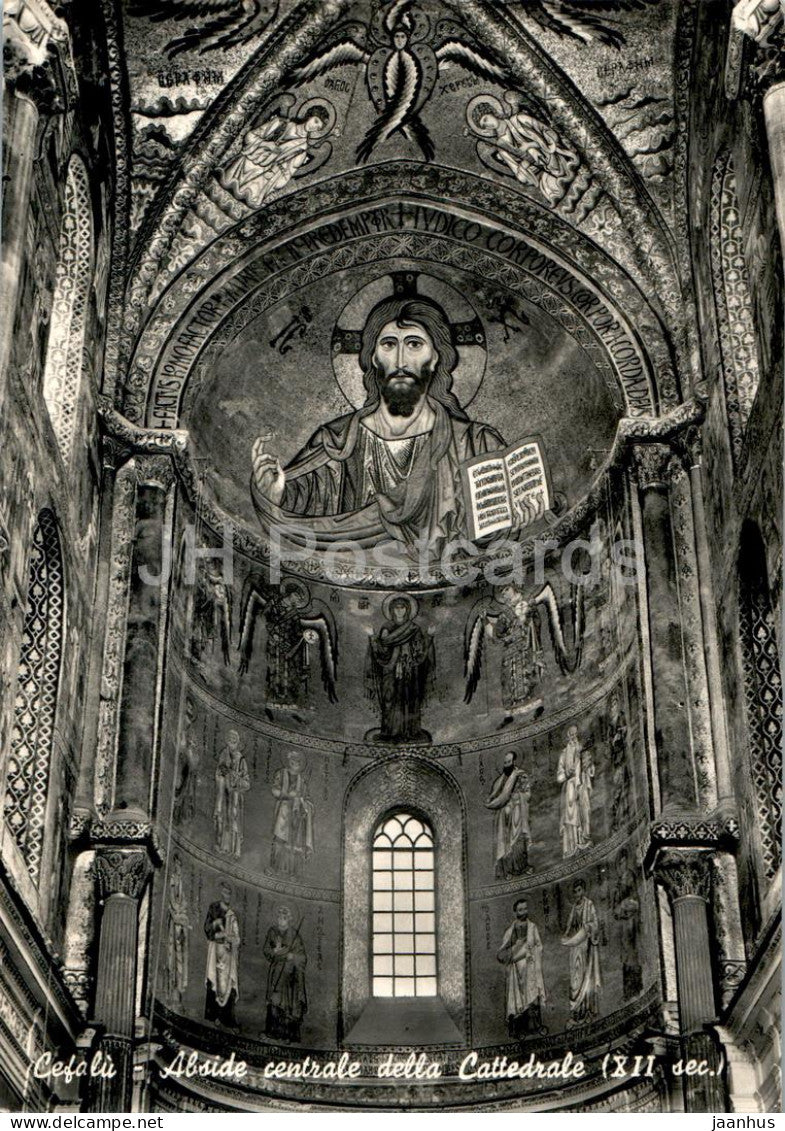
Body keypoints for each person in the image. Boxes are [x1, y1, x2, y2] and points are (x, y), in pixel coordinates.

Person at [251, 295, 505, 549]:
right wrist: (276, 496)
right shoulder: (335, 443)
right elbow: (299, 515)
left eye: (415, 344)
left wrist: (512, 523)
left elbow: (485, 540)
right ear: (373, 357)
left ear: (436, 357)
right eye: (389, 344)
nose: (400, 361)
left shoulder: (475, 445)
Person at [364, 596, 435, 742]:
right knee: (390, 699)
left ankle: (410, 732)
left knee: (410, 698)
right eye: (397, 607)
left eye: (402, 607)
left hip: (409, 670)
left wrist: (429, 636)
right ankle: (390, 733)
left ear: (408, 609)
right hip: (390, 670)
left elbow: (420, 652)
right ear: (391, 610)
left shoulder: (414, 629)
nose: (400, 610)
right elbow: (382, 652)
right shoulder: (387, 628)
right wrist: (372, 637)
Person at [224, 111, 329, 207]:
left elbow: (286, 176)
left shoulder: (302, 149)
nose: (314, 127)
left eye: (318, 128)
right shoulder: (281, 123)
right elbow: (249, 137)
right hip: (243, 166)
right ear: (309, 115)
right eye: (315, 121)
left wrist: (276, 172)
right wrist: (266, 144)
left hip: (261, 179)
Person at [497, 899, 547, 1038]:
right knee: (518, 999)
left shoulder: (532, 927)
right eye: (520, 910)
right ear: (515, 912)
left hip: (530, 967)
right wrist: (516, 948)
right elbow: (504, 950)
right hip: (516, 967)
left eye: (525, 909)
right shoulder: (511, 930)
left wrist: (533, 953)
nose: (523, 912)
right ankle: (518, 1030)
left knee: (532, 996)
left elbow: (539, 945)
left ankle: (536, 1027)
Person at [485, 750, 533, 878]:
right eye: (505, 762)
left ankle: (521, 867)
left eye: (509, 762)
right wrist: (491, 801)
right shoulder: (500, 780)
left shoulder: (521, 775)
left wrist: (519, 796)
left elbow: (528, 794)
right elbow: (495, 795)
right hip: (504, 816)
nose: (506, 765)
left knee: (518, 841)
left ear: (514, 762)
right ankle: (507, 870)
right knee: (505, 842)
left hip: (518, 810)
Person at [263, 905, 307, 1043]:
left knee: (288, 1005)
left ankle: (288, 1035)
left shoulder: (294, 935)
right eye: (279, 916)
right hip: (276, 971)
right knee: (275, 1002)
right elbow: (266, 950)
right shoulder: (272, 932)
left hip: (289, 976)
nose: (281, 919)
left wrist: (292, 956)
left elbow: (303, 957)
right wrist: (276, 952)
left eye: (284, 917)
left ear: (289, 919)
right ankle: (273, 1032)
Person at [560, 879, 602, 1025]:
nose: (577, 894)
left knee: (585, 977)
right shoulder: (574, 908)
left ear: (583, 890)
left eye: (579, 890)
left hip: (585, 947)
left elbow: (595, 923)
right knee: (575, 979)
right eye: (575, 891)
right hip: (575, 947)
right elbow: (569, 925)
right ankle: (576, 1013)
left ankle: (585, 1011)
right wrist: (566, 936)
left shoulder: (589, 904)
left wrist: (588, 928)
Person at [270, 751, 314, 877]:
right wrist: (289, 796)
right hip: (283, 811)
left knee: (294, 843)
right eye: (293, 760)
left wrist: (304, 804)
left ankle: (292, 872)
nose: (295, 763)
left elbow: (308, 799)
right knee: (279, 839)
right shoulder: (281, 774)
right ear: (289, 761)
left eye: (298, 761)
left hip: (296, 814)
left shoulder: (303, 780)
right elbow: (275, 790)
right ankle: (275, 867)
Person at [204, 882, 241, 1029]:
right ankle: (213, 1016)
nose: (227, 895)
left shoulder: (232, 915)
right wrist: (215, 925)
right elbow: (207, 928)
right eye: (225, 892)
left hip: (227, 954)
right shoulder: (213, 909)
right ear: (221, 893)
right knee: (214, 981)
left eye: (229, 893)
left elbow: (237, 938)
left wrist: (231, 939)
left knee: (228, 985)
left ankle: (227, 1018)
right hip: (215, 951)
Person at [213, 730, 251, 857]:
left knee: (233, 821)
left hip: (235, 796)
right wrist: (223, 776)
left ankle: (235, 850)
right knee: (223, 820)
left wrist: (236, 779)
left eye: (235, 738)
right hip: (224, 795)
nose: (232, 740)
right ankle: (223, 846)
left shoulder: (241, 760)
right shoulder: (223, 754)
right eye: (230, 737)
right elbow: (218, 772)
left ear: (239, 742)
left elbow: (247, 783)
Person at [165, 855, 190, 1006]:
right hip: (174, 925)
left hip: (181, 924)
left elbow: (184, 901)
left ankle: (179, 991)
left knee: (181, 958)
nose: (178, 868)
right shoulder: (173, 881)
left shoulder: (181, 882)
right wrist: (177, 912)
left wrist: (182, 911)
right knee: (174, 958)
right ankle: (172, 990)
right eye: (176, 865)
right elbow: (171, 900)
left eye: (180, 865)